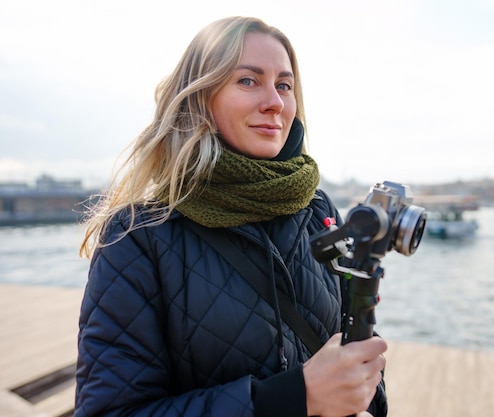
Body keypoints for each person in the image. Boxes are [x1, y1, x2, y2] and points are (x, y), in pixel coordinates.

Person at [75, 16, 388, 417]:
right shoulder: (138, 235)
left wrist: (368, 391)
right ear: (201, 98)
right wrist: (292, 397)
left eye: (284, 85)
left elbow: (354, 344)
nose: (274, 102)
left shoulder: (317, 208)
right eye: (248, 80)